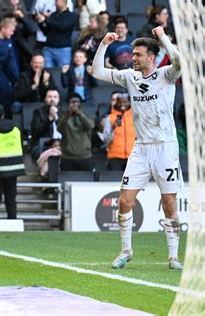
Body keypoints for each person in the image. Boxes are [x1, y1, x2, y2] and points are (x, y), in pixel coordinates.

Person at [92, 26, 184, 270]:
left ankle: (173, 257)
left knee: (169, 204)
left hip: (165, 147)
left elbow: (179, 61)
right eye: (133, 55)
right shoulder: (129, 77)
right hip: (141, 148)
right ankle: (125, 251)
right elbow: (97, 71)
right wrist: (104, 43)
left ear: (151, 58)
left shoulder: (165, 75)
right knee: (124, 201)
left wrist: (163, 37)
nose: (133, 58)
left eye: (138, 55)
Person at [0, 104, 25, 222]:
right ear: (3, 114)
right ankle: (12, 223)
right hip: (14, 169)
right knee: (11, 199)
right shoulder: (15, 127)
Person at [35, 0, 78, 68]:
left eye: (57, 1)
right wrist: (40, 22)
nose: (55, 3)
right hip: (48, 49)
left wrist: (45, 20)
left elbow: (62, 26)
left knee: (63, 74)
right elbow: (47, 32)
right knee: (48, 74)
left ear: (64, 1)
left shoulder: (72, 15)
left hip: (63, 50)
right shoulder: (53, 15)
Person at [57, 93, 94, 170]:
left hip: (85, 155)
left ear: (80, 104)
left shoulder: (86, 115)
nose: (74, 104)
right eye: (72, 102)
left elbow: (90, 126)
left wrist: (79, 114)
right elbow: (59, 129)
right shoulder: (64, 117)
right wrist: (68, 115)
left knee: (87, 180)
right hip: (67, 156)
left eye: (76, 102)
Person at [102, 93, 135, 170]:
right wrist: (113, 127)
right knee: (115, 181)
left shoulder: (135, 117)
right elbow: (106, 140)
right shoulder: (109, 118)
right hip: (115, 158)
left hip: (133, 157)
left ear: (130, 102)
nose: (123, 104)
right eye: (120, 102)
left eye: (125, 102)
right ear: (116, 103)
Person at [30, 89, 61, 159]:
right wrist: (49, 118)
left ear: (59, 99)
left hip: (60, 144)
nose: (52, 99)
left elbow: (65, 132)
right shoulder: (38, 112)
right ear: (45, 99)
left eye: (55, 97)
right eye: (50, 96)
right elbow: (37, 132)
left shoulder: (62, 113)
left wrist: (57, 119)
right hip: (43, 145)